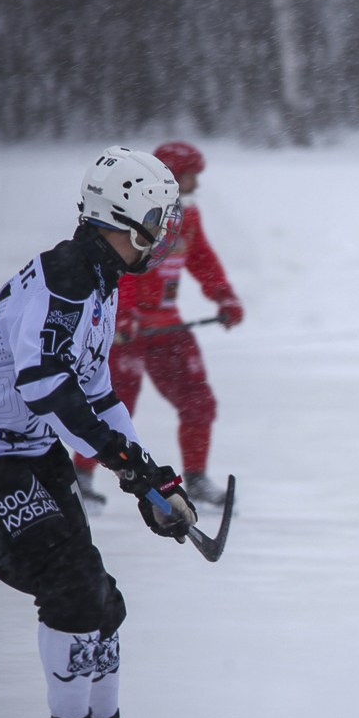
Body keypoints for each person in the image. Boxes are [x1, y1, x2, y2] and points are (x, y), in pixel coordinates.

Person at [0, 146, 198, 718]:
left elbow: (98, 398)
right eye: (155, 222)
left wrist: (154, 476)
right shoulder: (65, 279)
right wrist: (130, 471)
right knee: (70, 586)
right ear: (121, 220)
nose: (160, 237)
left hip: (33, 450)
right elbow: (49, 389)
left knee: (101, 595)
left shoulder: (99, 283)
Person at [73, 141, 243, 511]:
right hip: (127, 327)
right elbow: (125, 266)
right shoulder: (140, 216)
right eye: (188, 176)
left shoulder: (189, 218)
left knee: (197, 398)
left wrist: (224, 294)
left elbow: (201, 257)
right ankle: (80, 477)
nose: (196, 183)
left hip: (167, 324)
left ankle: (196, 478)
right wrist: (125, 314)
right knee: (114, 403)